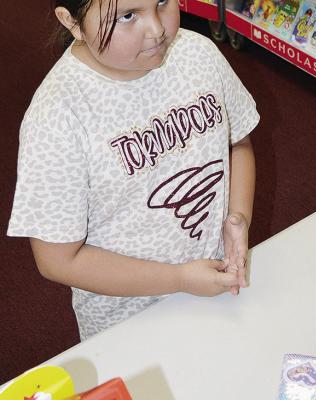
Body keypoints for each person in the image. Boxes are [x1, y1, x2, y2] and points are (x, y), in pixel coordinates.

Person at [7, 0, 260, 340]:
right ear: (73, 22)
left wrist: (238, 218)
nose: (157, 29)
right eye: (127, 16)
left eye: (162, 3)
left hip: (218, 285)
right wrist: (180, 278)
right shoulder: (58, 117)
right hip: (128, 322)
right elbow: (58, 260)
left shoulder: (198, 53)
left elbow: (239, 143)